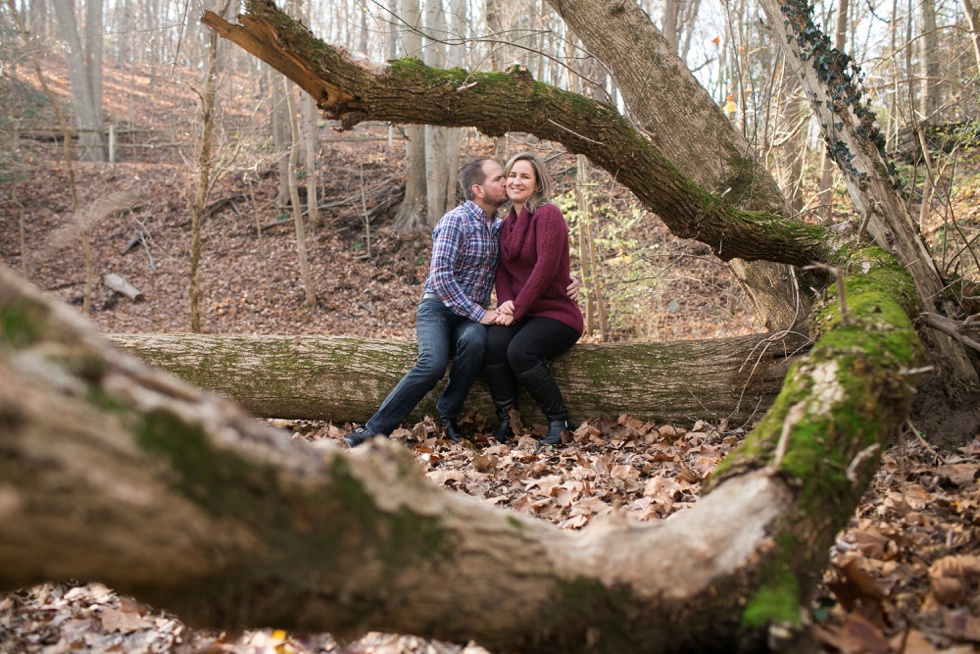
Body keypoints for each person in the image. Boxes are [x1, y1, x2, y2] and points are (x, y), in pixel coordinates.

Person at [342, 158, 507, 448]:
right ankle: (372, 430)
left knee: (475, 342)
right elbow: (441, 277)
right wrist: (480, 313)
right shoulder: (456, 220)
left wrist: (566, 279)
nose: (506, 182)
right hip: (438, 308)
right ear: (479, 189)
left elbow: (529, 255)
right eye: (498, 178)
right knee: (433, 364)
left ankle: (447, 416)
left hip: (470, 319)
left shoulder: (500, 227)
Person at [485, 152, 584, 446]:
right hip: (525, 313)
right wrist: (505, 303)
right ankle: (508, 419)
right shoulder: (505, 225)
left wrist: (517, 311)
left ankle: (559, 420)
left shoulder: (547, 214)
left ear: (538, 183)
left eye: (524, 176)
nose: (516, 181)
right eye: (512, 175)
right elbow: (502, 271)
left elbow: (545, 268)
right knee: (493, 343)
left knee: (520, 352)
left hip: (558, 314)